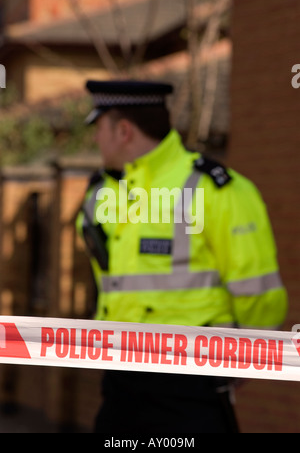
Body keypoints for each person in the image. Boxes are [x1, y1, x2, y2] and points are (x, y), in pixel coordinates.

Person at [76, 80, 288, 434]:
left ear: (124, 130)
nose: (96, 140)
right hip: (119, 381)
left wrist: (245, 364)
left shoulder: (217, 190)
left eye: (99, 128)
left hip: (191, 384)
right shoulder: (102, 193)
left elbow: (260, 295)